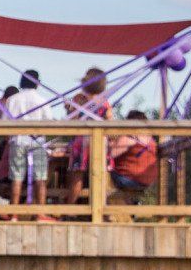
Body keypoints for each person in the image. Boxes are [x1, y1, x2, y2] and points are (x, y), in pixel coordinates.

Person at [3, 70, 51, 203]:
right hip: (37, 142)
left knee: (16, 178)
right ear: (37, 83)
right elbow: (49, 123)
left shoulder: (12, 100)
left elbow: (4, 123)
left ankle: (14, 213)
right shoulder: (42, 100)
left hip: (17, 141)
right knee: (40, 177)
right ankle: (40, 212)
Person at [66, 67, 111, 205]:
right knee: (100, 178)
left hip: (81, 142)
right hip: (100, 142)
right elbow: (109, 121)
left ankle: (69, 209)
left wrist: (67, 109)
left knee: (76, 179)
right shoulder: (104, 102)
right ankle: (101, 209)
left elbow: (72, 120)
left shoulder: (78, 99)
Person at [107, 110, 159, 198]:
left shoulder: (130, 137)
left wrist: (109, 144)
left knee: (101, 170)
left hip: (128, 179)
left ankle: (97, 201)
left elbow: (109, 155)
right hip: (147, 181)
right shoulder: (151, 140)